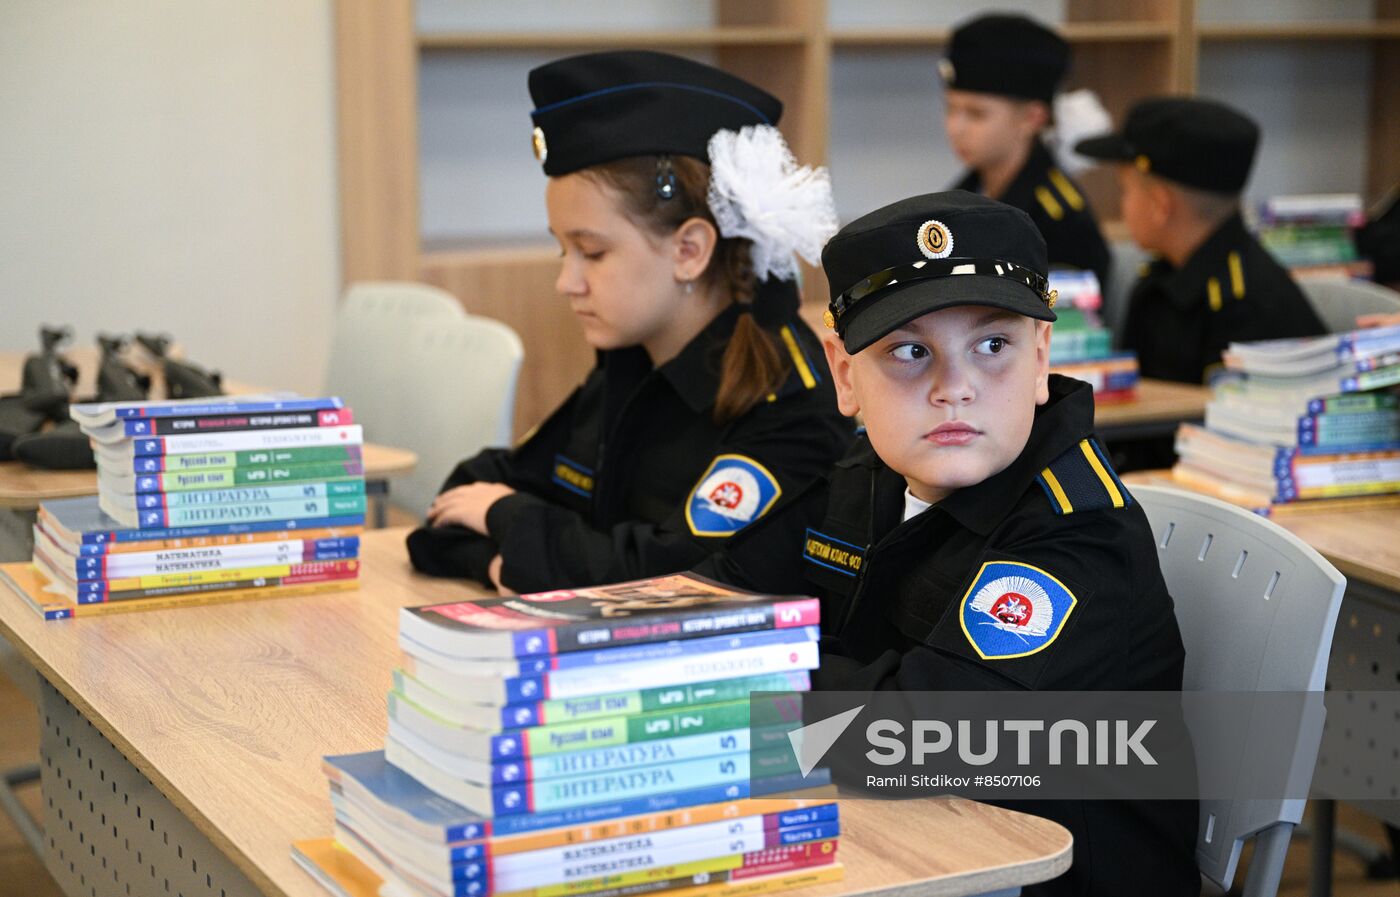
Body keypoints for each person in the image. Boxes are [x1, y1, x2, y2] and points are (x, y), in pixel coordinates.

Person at [693, 191, 1199, 896]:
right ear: (846, 376)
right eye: (909, 351)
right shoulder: (867, 474)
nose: (954, 388)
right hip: (905, 853)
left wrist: (713, 698)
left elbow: (917, 737)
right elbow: (715, 591)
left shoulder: (1079, 531)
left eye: (993, 346)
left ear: (1040, 358)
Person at [406, 51, 852, 594]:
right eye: (561, 250)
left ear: (689, 250)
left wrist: (510, 527)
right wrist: (510, 553)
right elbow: (456, 507)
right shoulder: (631, 361)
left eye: (591, 252)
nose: (566, 282)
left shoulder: (791, 405)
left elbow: (679, 583)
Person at [1076, 96, 1326, 385]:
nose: (1123, 205)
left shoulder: (1245, 305)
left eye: (1126, 191)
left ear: (1160, 205)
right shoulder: (1162, 276)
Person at [943, 13, 1111, 289]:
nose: (955, 127)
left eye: (976, 114)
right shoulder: (963, 195)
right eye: (950, 108)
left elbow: (1070, 324)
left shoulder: (1063, 222)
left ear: (1033, 118)